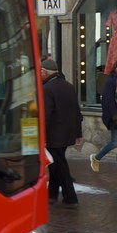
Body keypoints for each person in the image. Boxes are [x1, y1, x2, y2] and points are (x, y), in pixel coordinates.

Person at [40, 57, 82, 205]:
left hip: (54, 135)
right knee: (55, 164)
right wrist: (78, 132)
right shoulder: (69, 86)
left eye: (40, 71)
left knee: (60, 165)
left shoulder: (47, 89)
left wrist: (42, 135)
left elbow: (46, 115)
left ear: (45, 72)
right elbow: (77, 112)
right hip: (67, 133)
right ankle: (51, 195)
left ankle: (70, 197)